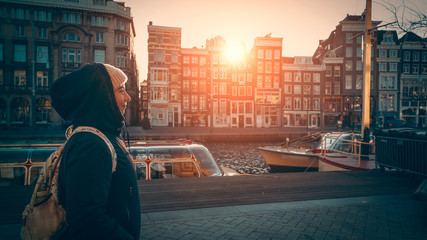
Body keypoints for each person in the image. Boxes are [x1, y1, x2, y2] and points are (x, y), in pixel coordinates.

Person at [50, 63, 140, 239]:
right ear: (103, 96)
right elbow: (88, 222)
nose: (128, 97)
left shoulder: (104, 135)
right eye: (121, 90)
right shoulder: (90, 144)